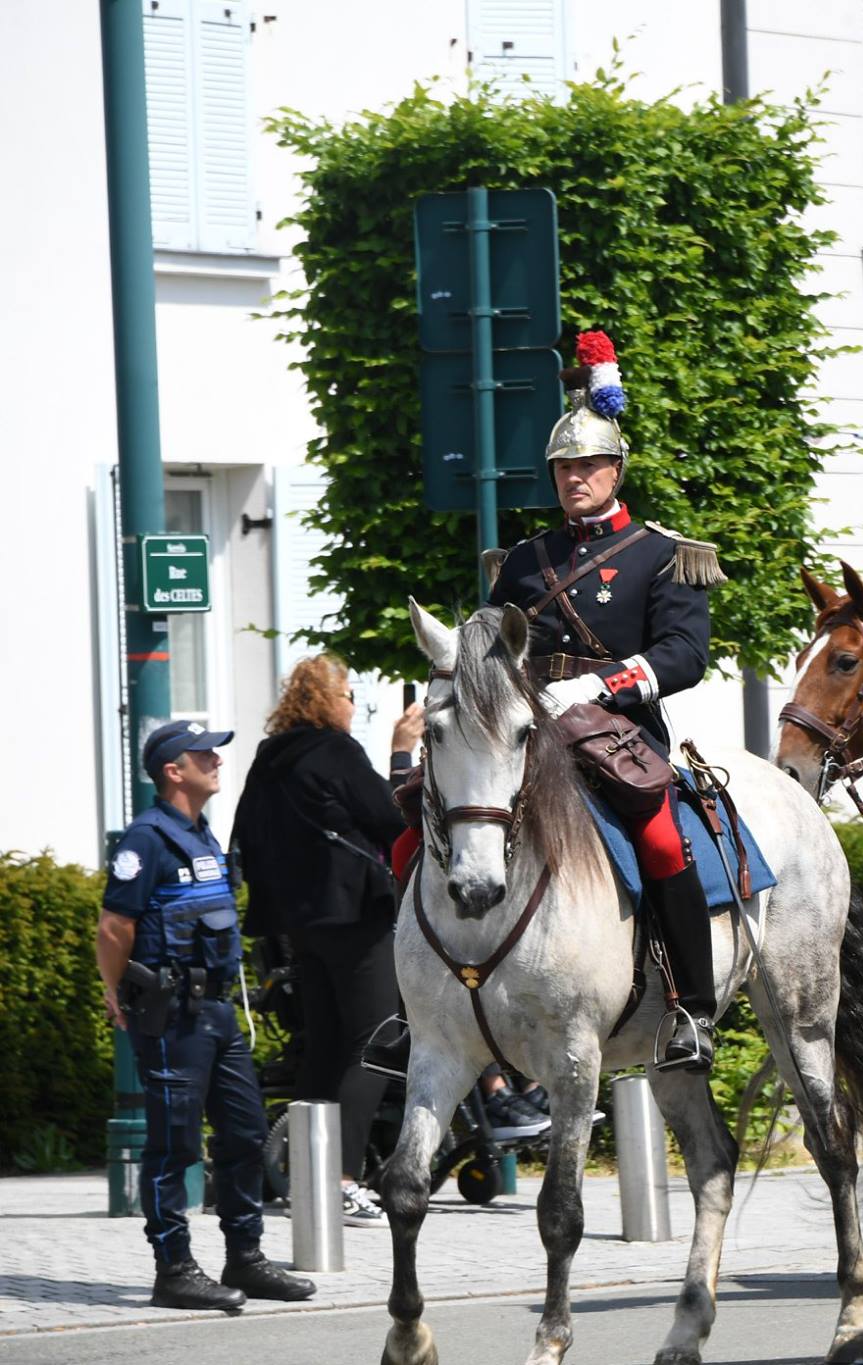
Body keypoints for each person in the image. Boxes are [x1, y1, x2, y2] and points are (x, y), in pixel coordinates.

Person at [370, 329, 726, 1074]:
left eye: (590, 464)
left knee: (661, 839)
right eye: (565, 466)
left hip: (614, 732)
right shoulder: (526, 560)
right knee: (414, 827)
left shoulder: (664, 554)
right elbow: (483, 646)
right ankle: (414, 1010)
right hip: (521, 729)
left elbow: (684, 655)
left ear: (616, 469)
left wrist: (599, 683)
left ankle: (691, 1007)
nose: (575, 477)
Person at [96, 721, 316, 1312]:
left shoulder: (201, 834)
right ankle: (174, 1269)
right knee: (174, 1146)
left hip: (218, 1013)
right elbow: (115, 927)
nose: (216, 760)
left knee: (244, 1135)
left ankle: (245, 1257)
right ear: (174, 771)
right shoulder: (147, 839)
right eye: (203, 755)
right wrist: (117, 994)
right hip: (171, 1016)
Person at [234, 656, 423, 1227]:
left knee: (324, 1045)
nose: (352, 705)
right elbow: (395, 819)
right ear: (326, 701)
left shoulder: (269, 759)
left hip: (297, 925)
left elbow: (245, 836)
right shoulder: (336, 752)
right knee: (375, 1041)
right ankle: (341, 1180)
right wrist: (400, 752)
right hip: (354, 916)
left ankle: (311, 1179)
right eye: (348, 695)